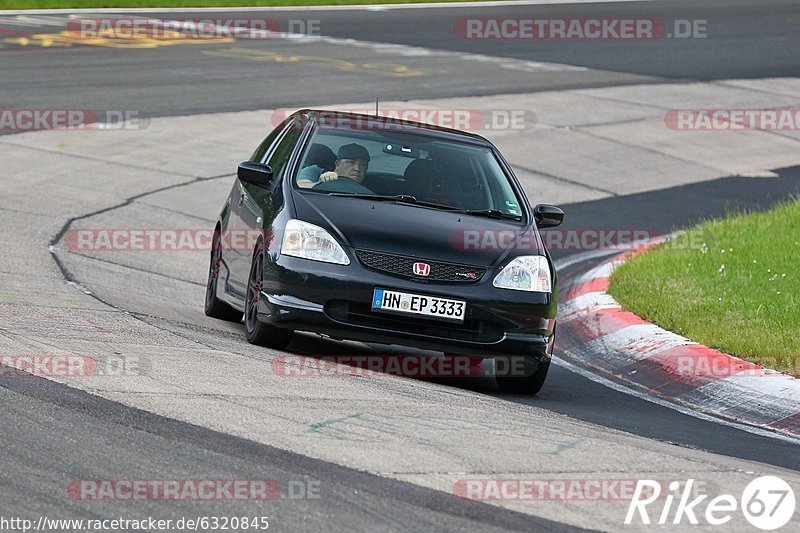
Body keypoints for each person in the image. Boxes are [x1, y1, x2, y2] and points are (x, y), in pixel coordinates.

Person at [297, 143, 370, 188]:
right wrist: (323, 183)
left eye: (363, 165)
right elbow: (300, 185)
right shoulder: (316, 171)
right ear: (337, 164)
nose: (357, 168)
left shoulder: (371, 186)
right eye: (351, 162)